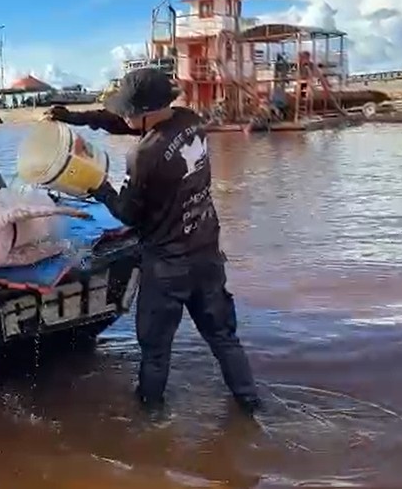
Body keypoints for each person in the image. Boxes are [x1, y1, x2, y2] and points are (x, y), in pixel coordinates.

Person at [75, 68, 262, 415]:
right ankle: (251, 406)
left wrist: (99, 186)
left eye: (128, 110)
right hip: (207, 254)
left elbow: (128, 215)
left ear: (145, 112)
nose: (124, 116)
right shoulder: (191, 120)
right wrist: (79, 118)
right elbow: (129, 124)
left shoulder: (144, 155)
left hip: (166, 267)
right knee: (224, 338)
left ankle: (150, 421)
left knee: (156, 351)